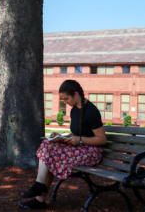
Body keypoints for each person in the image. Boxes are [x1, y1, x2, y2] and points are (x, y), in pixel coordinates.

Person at [19, 80, 106, 209]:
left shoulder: (91, 111)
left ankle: (39, 193)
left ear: (76, 94)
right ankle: (40, 190)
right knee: (47, 145)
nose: (65, 102)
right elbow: (75, 133)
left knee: (50, 154)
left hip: (92, 153)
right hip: (80, 149)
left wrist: (80, 140)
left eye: (66, 99)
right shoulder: (74, 110)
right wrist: (61, 137)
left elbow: (101, 139)